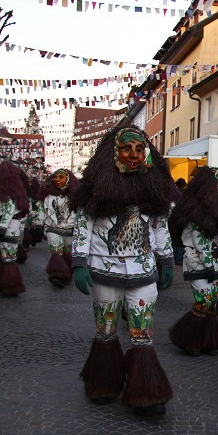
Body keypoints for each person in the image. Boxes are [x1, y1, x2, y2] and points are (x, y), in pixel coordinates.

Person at [70, 127, 176, 417]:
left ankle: (146, 391)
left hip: (143, 271)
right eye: (126, 148)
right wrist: (79, 263)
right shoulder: (96, 189)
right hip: (105, 271)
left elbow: (160, 227)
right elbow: (83, 227)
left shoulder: (153, 190)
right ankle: (104, 382)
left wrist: (167, 261)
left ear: (147, 155)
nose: (133, 155)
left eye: (139, 149)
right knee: (105, 330)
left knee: (143, 332)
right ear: (113, 153)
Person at [168, 166, 218, 356]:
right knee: (204, 301)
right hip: (198, 263)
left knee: (211, 303)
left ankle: (206, 340)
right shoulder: (196, 215)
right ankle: (190, 340)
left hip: (214, 264)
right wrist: (214, 264)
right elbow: (201, 245)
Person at [0, 161, 29, 296]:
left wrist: (2, 227)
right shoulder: (2, 195)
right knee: (1, 257)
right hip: (1, 228)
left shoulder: (10, 196)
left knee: (8, 257)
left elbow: (8, 213)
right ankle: (0, 283)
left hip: (8, 229)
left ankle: (10, 285)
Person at [40, 168, 79, 288]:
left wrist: (68, 224)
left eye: (61, 177)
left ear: (67, 180)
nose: (57, 180)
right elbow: (42, 210)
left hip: (68, 230)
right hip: (52, 228)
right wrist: (37, 222)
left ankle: (67, 273)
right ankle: (57, 274)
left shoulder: (74, 197)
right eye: (55, 177)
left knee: (67, 253)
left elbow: (77, 213)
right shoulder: (48, 196)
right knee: (56, 251)